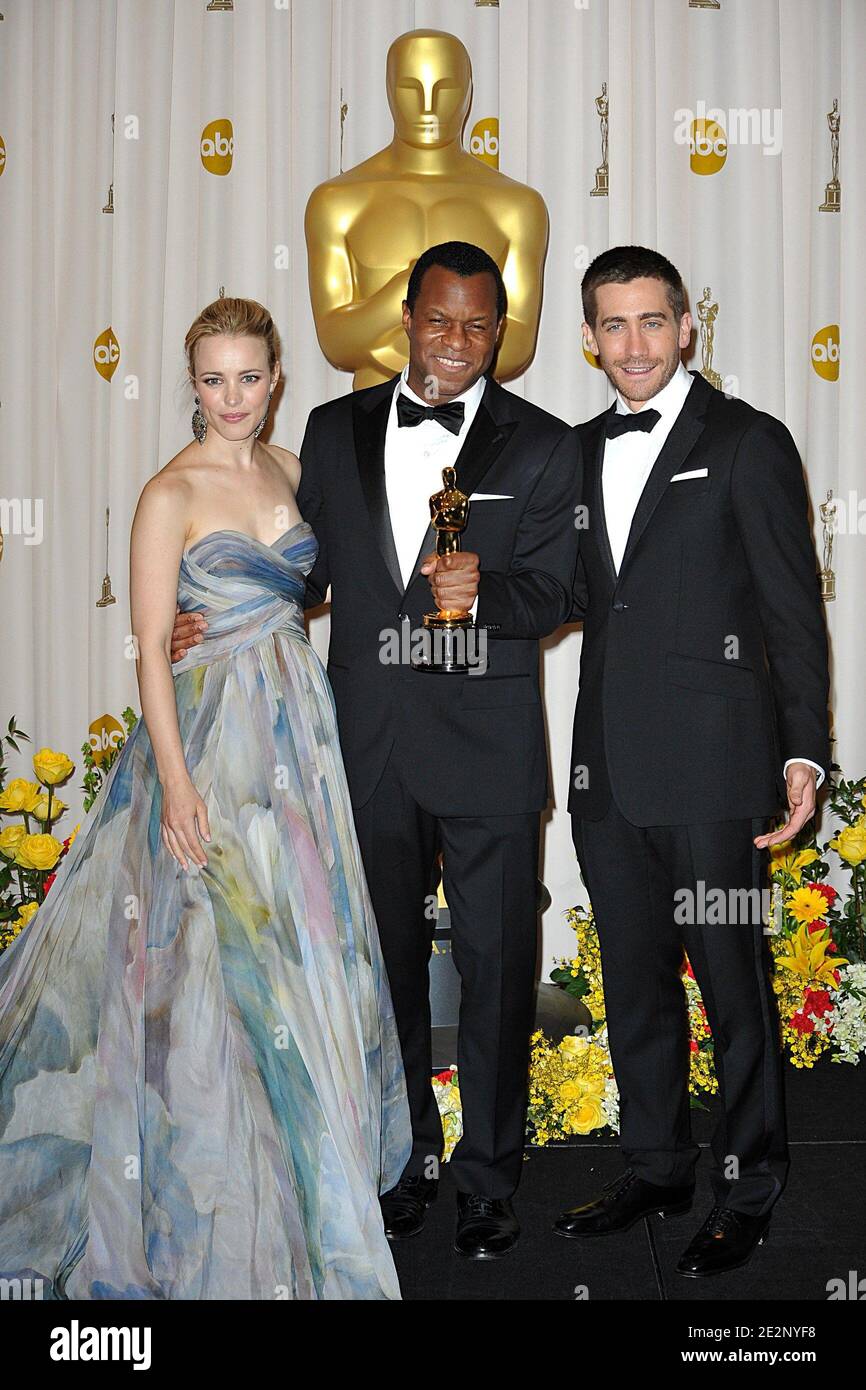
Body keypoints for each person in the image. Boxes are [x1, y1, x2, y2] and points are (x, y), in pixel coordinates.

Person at [171, 243, 582, 1258]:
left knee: (494, 969)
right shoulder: (328, 427)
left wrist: (483, 593)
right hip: (359, 745)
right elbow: (307, 576)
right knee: (380, 968)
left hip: (486, 751)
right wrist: (211, 620)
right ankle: (407, 1161)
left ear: (501, 333)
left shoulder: (541, 444)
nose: (456, 342)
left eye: (478, 326)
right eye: (439, 320)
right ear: (406, 316)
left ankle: (487, 1180)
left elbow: (563, 590)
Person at [0, 298, 411, 1300]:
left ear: (275, 381)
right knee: (208, 975)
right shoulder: (167, 492)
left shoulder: (295, 472)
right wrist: (177, 784)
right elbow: (147, 646)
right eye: (214, 378)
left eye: (250, 377)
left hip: (297, 736)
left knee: (298, 957)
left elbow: (310, 588)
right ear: (192, 384)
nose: (233, 396)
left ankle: (305, 1191)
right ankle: (213, 1223)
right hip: (208, 745)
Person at [553, 247, 830, 1276]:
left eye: (650, 322)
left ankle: (751, 1181)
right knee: (631, 982)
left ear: (685, 327)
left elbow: (789, 610)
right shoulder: (572, 453)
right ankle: (657, 1164)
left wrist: (802, 750)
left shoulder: (748, 442)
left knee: (730, 980)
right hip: (607, 775)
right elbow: (561, 597)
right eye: (612, 325)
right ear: (589, 337)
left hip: (716, 771)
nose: (632, 344)